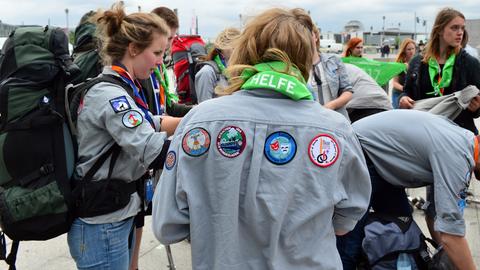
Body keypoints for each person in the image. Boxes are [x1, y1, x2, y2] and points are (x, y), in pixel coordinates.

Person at [152, 7, 371, 270]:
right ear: (305, 59)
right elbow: (347, 220)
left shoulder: (199, 122)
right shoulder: (336, 129)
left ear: (246, 51)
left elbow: (167, 226)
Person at [67, 3, 181, 269]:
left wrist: (196, 119)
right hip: (104, 225)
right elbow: (154, 151)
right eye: (156, 52)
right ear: (133, 49)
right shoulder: (111, 95)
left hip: (114, 216)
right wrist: (204, 142)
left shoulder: (121, 88)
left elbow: (150, 122)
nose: (159, 61)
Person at [352, 109, 480, 270]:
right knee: (350, 239)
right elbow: (451, 235)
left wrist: (448, 257)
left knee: (403, 230)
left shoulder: (463, 140)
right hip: (360, 151)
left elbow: (435, 216)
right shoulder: (457, 157)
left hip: (382, 160)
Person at [128, 6, 191, 270]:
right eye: (159, 51)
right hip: (134, 163)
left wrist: (200, 113)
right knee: (134, 218)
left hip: (144, 158)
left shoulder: (152, 73)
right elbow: (146, 122)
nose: (162, 58)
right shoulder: (133, 76)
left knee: (139, 216)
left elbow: (161, 112)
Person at [399, 8, 480, 134]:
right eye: (454, 28)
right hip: (425, 133)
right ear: (440, 30)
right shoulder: (417, 62)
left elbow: (477, 102)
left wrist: (476, 109)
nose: (460, 33)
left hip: (459, 135)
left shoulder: (470, 63)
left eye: (462, 28)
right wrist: (403, 99)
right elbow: (407, 91)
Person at [309, 26, 353, 120]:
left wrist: (331, 105)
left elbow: (348, 91)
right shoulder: (295, 67)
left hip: (337, 119)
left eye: (309, 34)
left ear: (316, 37)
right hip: (312, 121)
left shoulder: (334, 60)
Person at [194, 27, 240, 103]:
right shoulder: (207, 73)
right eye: (235, 48)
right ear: (224, 48)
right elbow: (204, 108)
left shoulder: (237, 70)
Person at [391, 38, 416, 108]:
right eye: (409, 49)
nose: (411, 51)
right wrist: (405, 88)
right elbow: (394, 83)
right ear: (404, 50)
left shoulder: (418, 62)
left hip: (411, 94)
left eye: (413, 48)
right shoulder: (399, 63)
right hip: (398, 93)